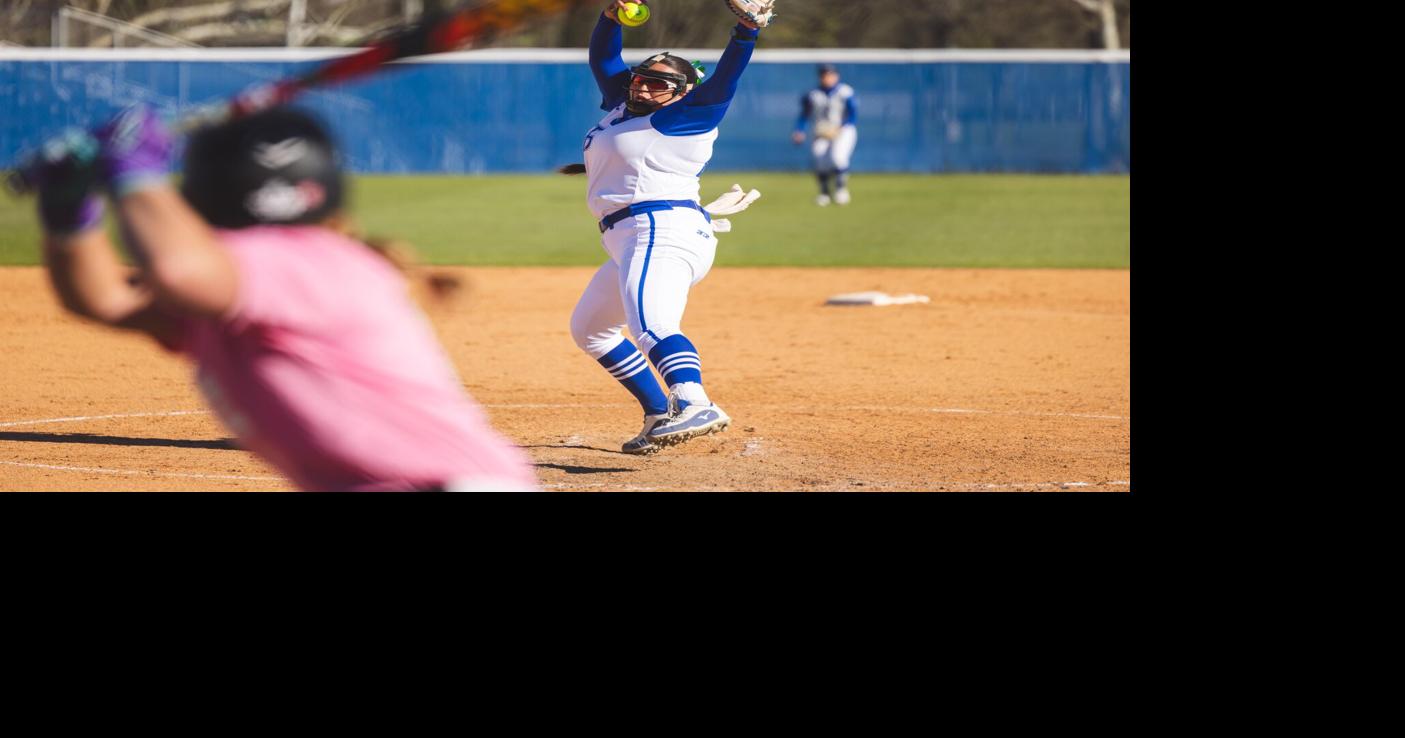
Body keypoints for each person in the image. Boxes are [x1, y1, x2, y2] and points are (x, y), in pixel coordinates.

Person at [26, 104, 539, 492]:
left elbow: (176, 271)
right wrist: (69, 212)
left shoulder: (305, 260)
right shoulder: (237, 287)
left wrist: (135, 172)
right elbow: (106, 299)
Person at [569, 0, 765, 455]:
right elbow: (604, 59)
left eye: (658, 83)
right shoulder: (624, 106)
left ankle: (695, 402)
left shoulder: (684, 117)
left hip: (659, 230)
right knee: (591, 329)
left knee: (653, 325)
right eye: (641, 77)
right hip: (631, 237)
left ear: (682, 93)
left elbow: (725, 80)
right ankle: (659, 411)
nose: (642, 85)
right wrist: (609, 18)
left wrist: (746, 31)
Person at [791, 63, 857, 206]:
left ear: (836, 76)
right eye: (824, 75)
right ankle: (824, 193)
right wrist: (799, 130)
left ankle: (841, 190)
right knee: (819, 158)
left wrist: (840, 127)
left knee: (838, 157)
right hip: (821, 131)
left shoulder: (845, 92)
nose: (827, 78)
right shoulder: (813, 94)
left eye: (830, 75)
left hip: (843, 130)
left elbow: (852, 115)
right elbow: (805, 115)